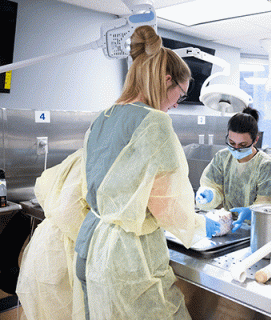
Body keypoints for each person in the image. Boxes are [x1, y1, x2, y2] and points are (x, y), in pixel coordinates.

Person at [74, 25, 220, 320]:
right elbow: (165, 207)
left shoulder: (103, 118)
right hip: (128, 260)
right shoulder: (155, 123)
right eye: (181, 93)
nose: (177, 103)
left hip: (90, 248)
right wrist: (208, 226)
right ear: (168, 80)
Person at [16, 149, 89, 320]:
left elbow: (42, 185)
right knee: (58, 309)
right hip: (61, 252)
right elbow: (68, 211)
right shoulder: (90, 158)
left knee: (43, 308)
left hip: (47, 244)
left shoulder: (81, 154)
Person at [195, 107, 271, 232]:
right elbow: (213, 187)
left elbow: (267, 207)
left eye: (242, 145)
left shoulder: (267, 167)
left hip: (257, 229)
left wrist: (251, 212)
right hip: (226, 225)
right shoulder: (222, 158)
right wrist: (209, 195)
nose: (236, 148)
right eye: (231, 142)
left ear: (255, 140)